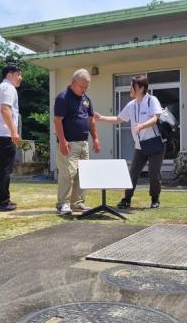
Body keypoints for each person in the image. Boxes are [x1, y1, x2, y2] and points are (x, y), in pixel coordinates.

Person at [95, 75, 164, 209]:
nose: (130, 89)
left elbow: (155, 118)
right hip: (140, 146)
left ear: (141, 88)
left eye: (132, 86)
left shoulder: (151, 100)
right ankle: (126, 199)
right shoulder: (131, 105)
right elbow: (118, 119)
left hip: (155, 144)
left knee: (153, 172)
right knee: (133, 172)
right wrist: (101, 117)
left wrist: (141, 126)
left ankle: (155, 199)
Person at [53, 68, 101, 216]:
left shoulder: (86, 99)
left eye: (86, 86)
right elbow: (57, 120)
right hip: (69, 143)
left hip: (83, 143)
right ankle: (63, 204)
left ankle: (77, 202)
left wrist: (95, 138)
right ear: (73, 83)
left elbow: (91, 119)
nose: (84, 89)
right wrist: (62, 141)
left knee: (83, 174)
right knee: (68, 173)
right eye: (82, 86)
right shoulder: (63, 98)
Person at [0, 62, 22, 211]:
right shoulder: (9, 88)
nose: (20, 78)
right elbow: (5, 109)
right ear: (9, 75)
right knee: (6, 168)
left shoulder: (0, 88)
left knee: (4, 168)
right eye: (18, 74)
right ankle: (1, 202)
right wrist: (14, 131)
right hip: (4, 133)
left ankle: (3, 199)